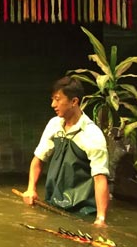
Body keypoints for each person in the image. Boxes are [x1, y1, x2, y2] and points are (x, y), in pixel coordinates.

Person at [21, 76, 110, 226]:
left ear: (74, 101)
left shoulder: (92, 134)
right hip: (52, 204)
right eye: (52, 99)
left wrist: (100, 218)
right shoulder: (54, 124)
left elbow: (100, 178)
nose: (53, 104)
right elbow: (38, 160)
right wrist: (31, 189)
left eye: (57, 99)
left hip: (82, 212)